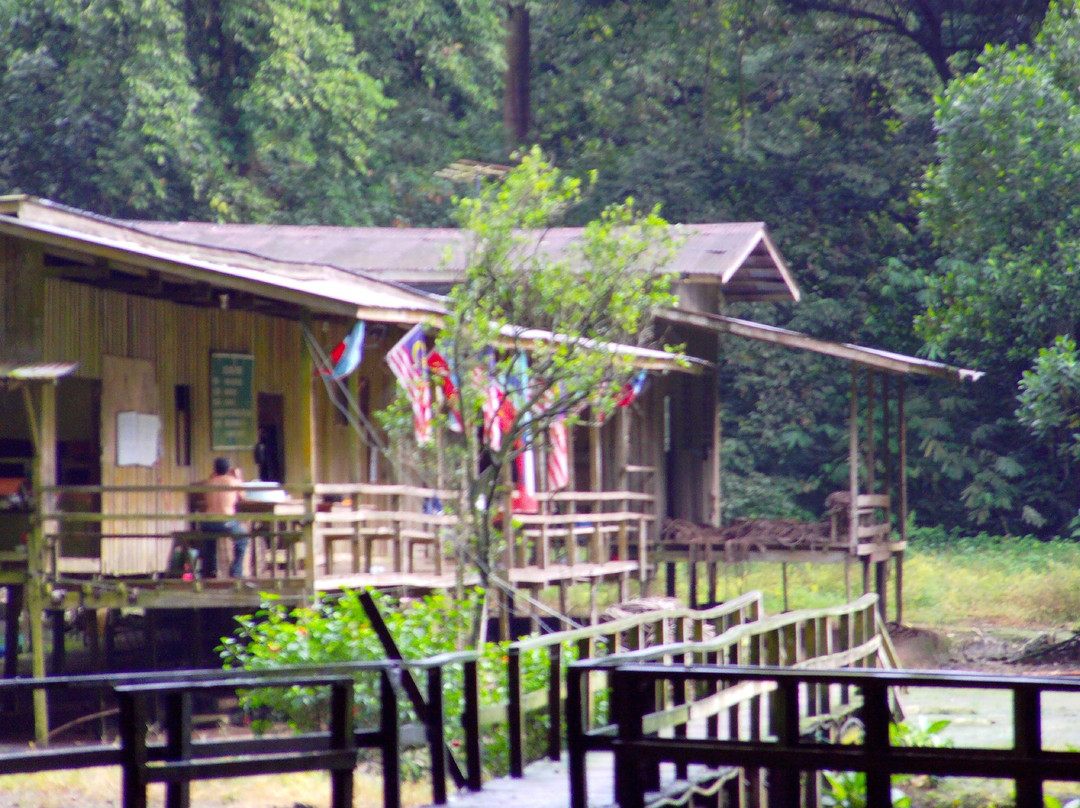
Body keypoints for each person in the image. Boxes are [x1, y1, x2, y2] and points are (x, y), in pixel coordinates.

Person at [198, 457, 248, 578]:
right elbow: (243, 496)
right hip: (226, 522)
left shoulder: (208, 482)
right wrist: (238, 477)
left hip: (208, 522)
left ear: (214, 469)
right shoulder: (233, 482)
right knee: (243, 539)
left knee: (209, 542)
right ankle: (236, 570)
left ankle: (211, 571)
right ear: (229, 469)